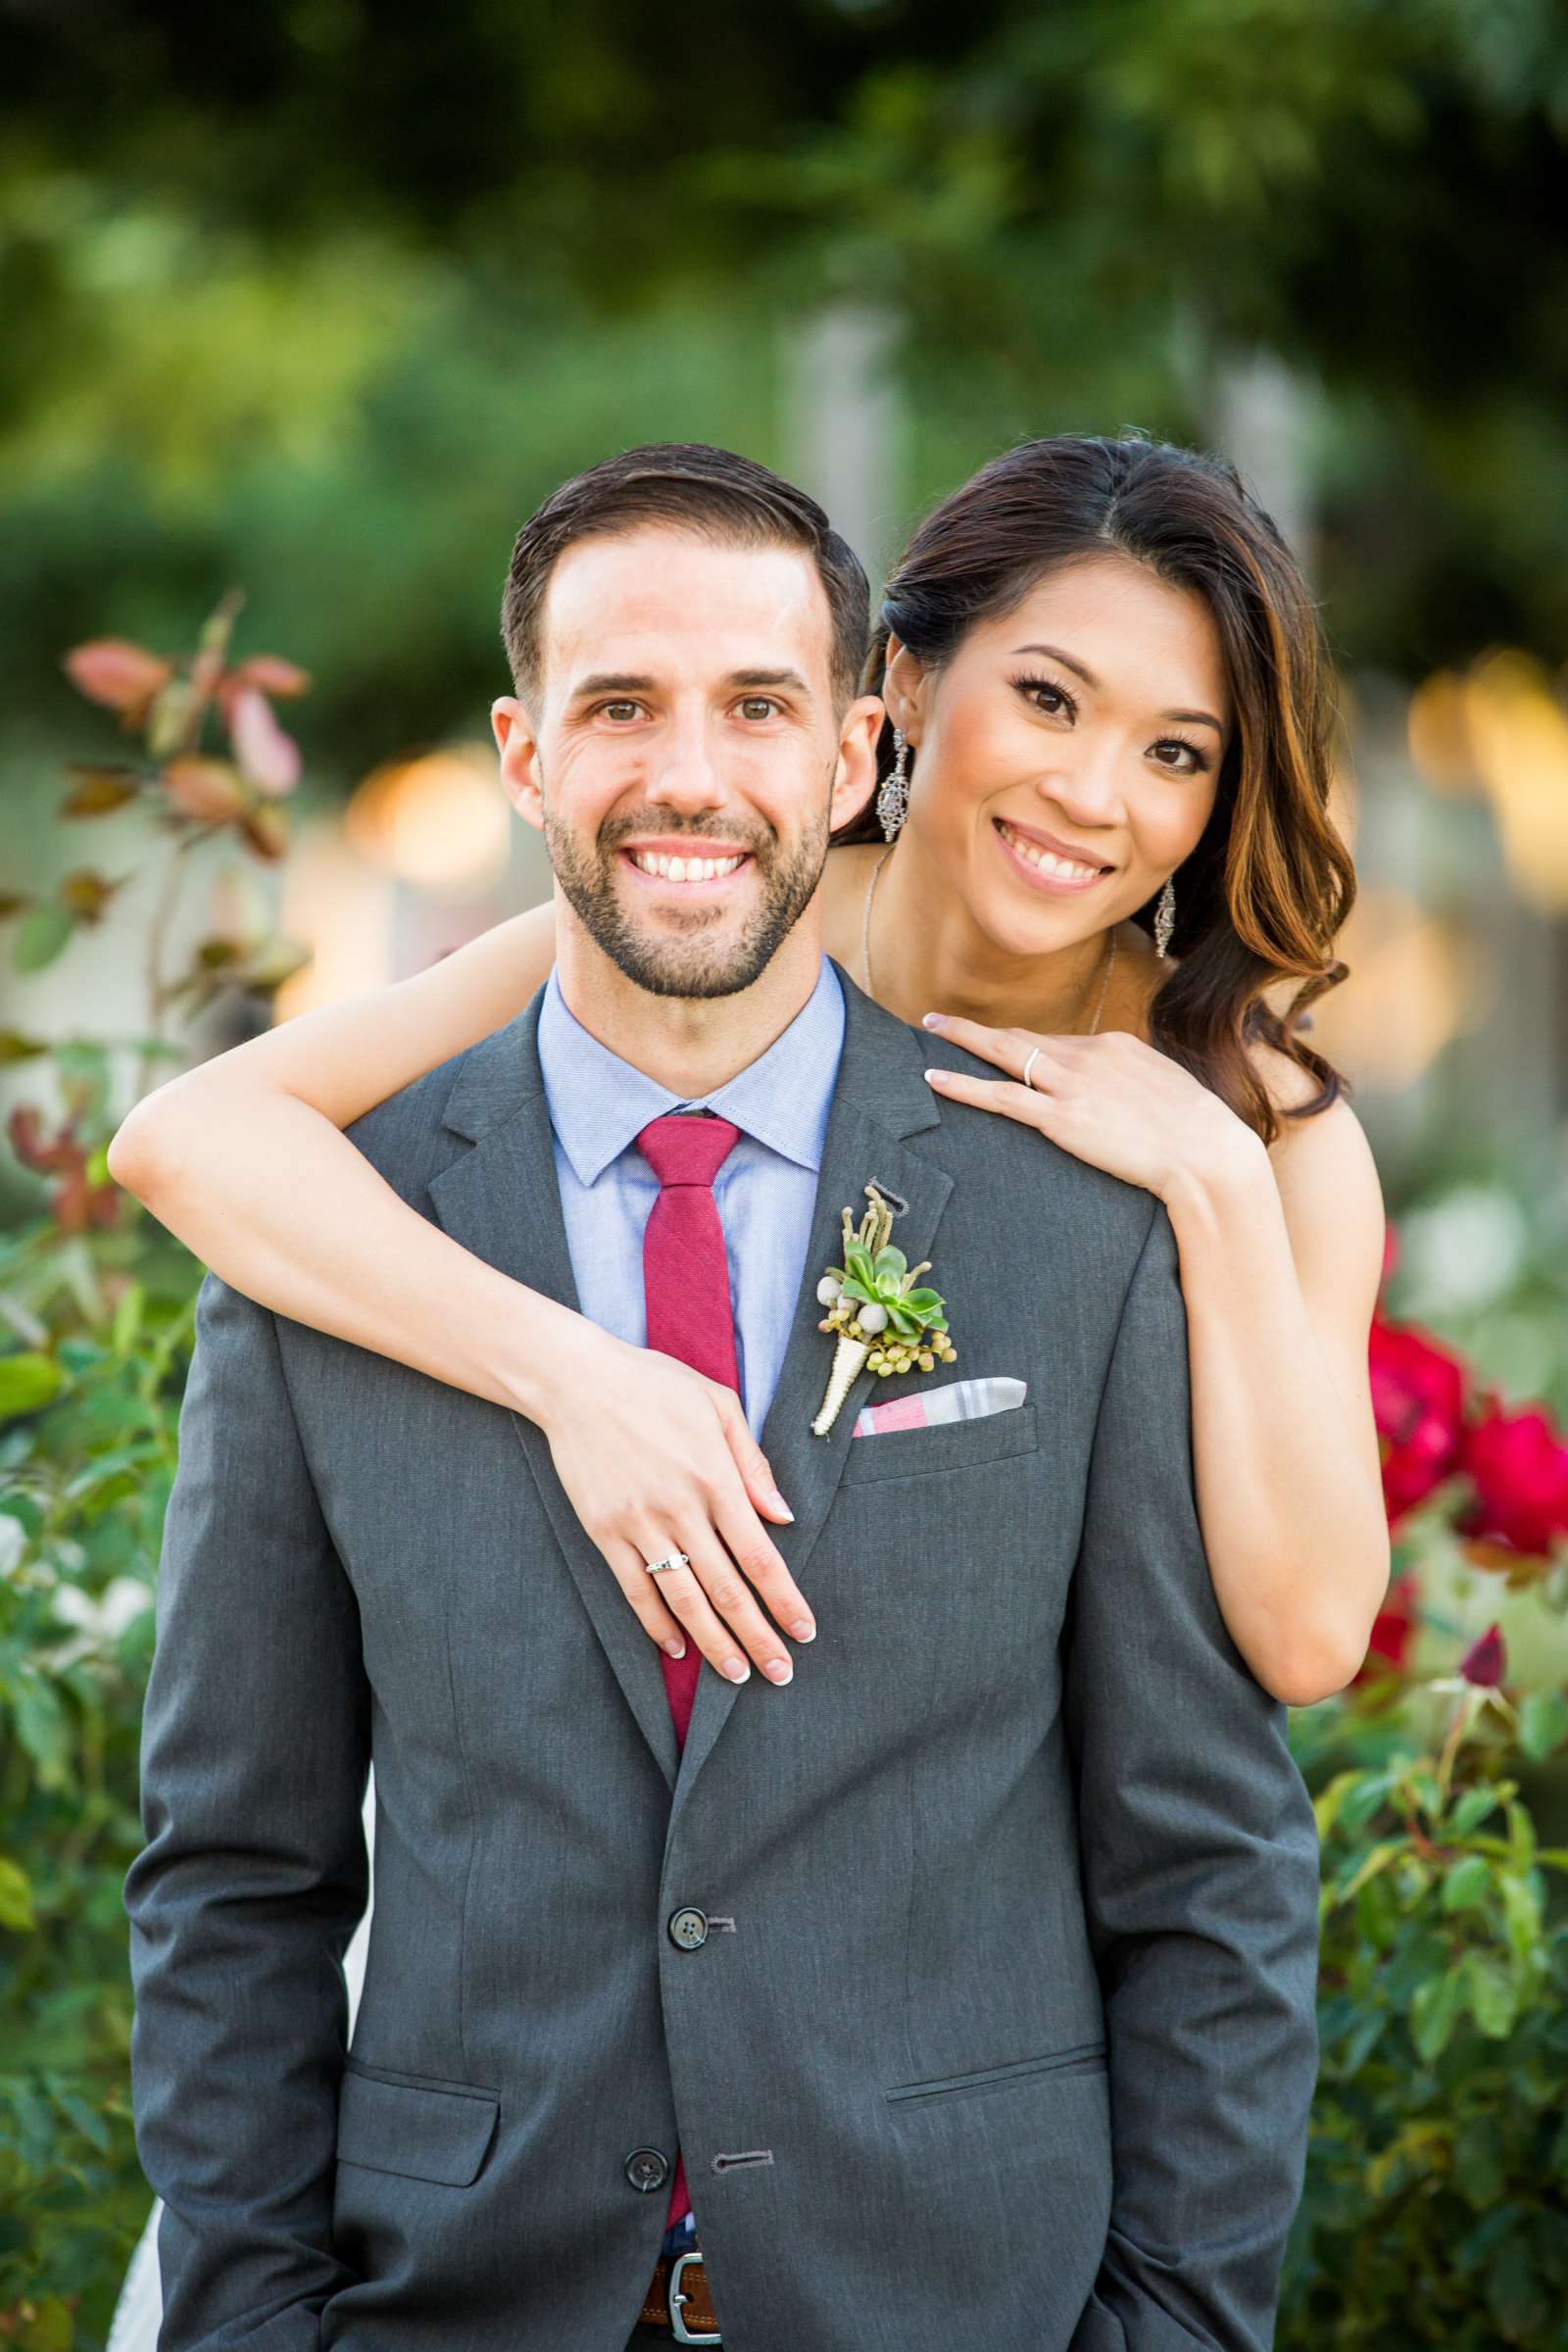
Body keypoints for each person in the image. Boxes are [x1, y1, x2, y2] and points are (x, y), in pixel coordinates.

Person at [121, 440, 1322, 2349]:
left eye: (755, 705)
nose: (689, 772)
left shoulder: (1099, 1218)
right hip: (459, 2294)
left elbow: (1207, 1857)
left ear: (847, 747)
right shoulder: (338, 1243)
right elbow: (236, 1875)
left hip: (952, 2291)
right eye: (620, 706)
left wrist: (1167, 2330)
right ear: (525, 758)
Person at [111, 434, 1391, 1723]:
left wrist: (1218, 1181)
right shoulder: (720, 920)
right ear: (906, 686)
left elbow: (1311, 1639)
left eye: (1176, 753)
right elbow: (192, 1137)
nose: (1089, 792)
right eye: (1049, 701)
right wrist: (573, 1378)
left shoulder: (1258, 1122)